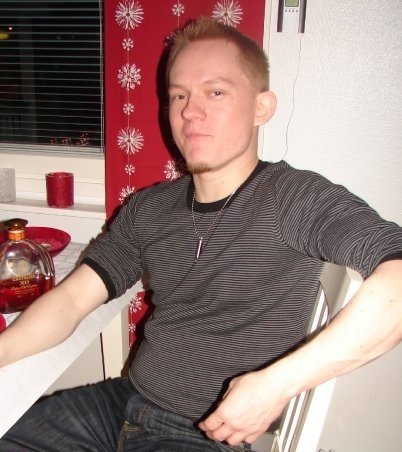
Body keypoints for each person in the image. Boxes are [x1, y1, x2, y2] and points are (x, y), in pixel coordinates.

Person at [1, 16, 402, 452]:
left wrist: (277, 385)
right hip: (120, 403)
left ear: (262, 108)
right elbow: (72, 300)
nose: (190, 111)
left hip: (206, 434)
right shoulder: (149, 208)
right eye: (179, 95)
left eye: (215, 91)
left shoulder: (292, 198)